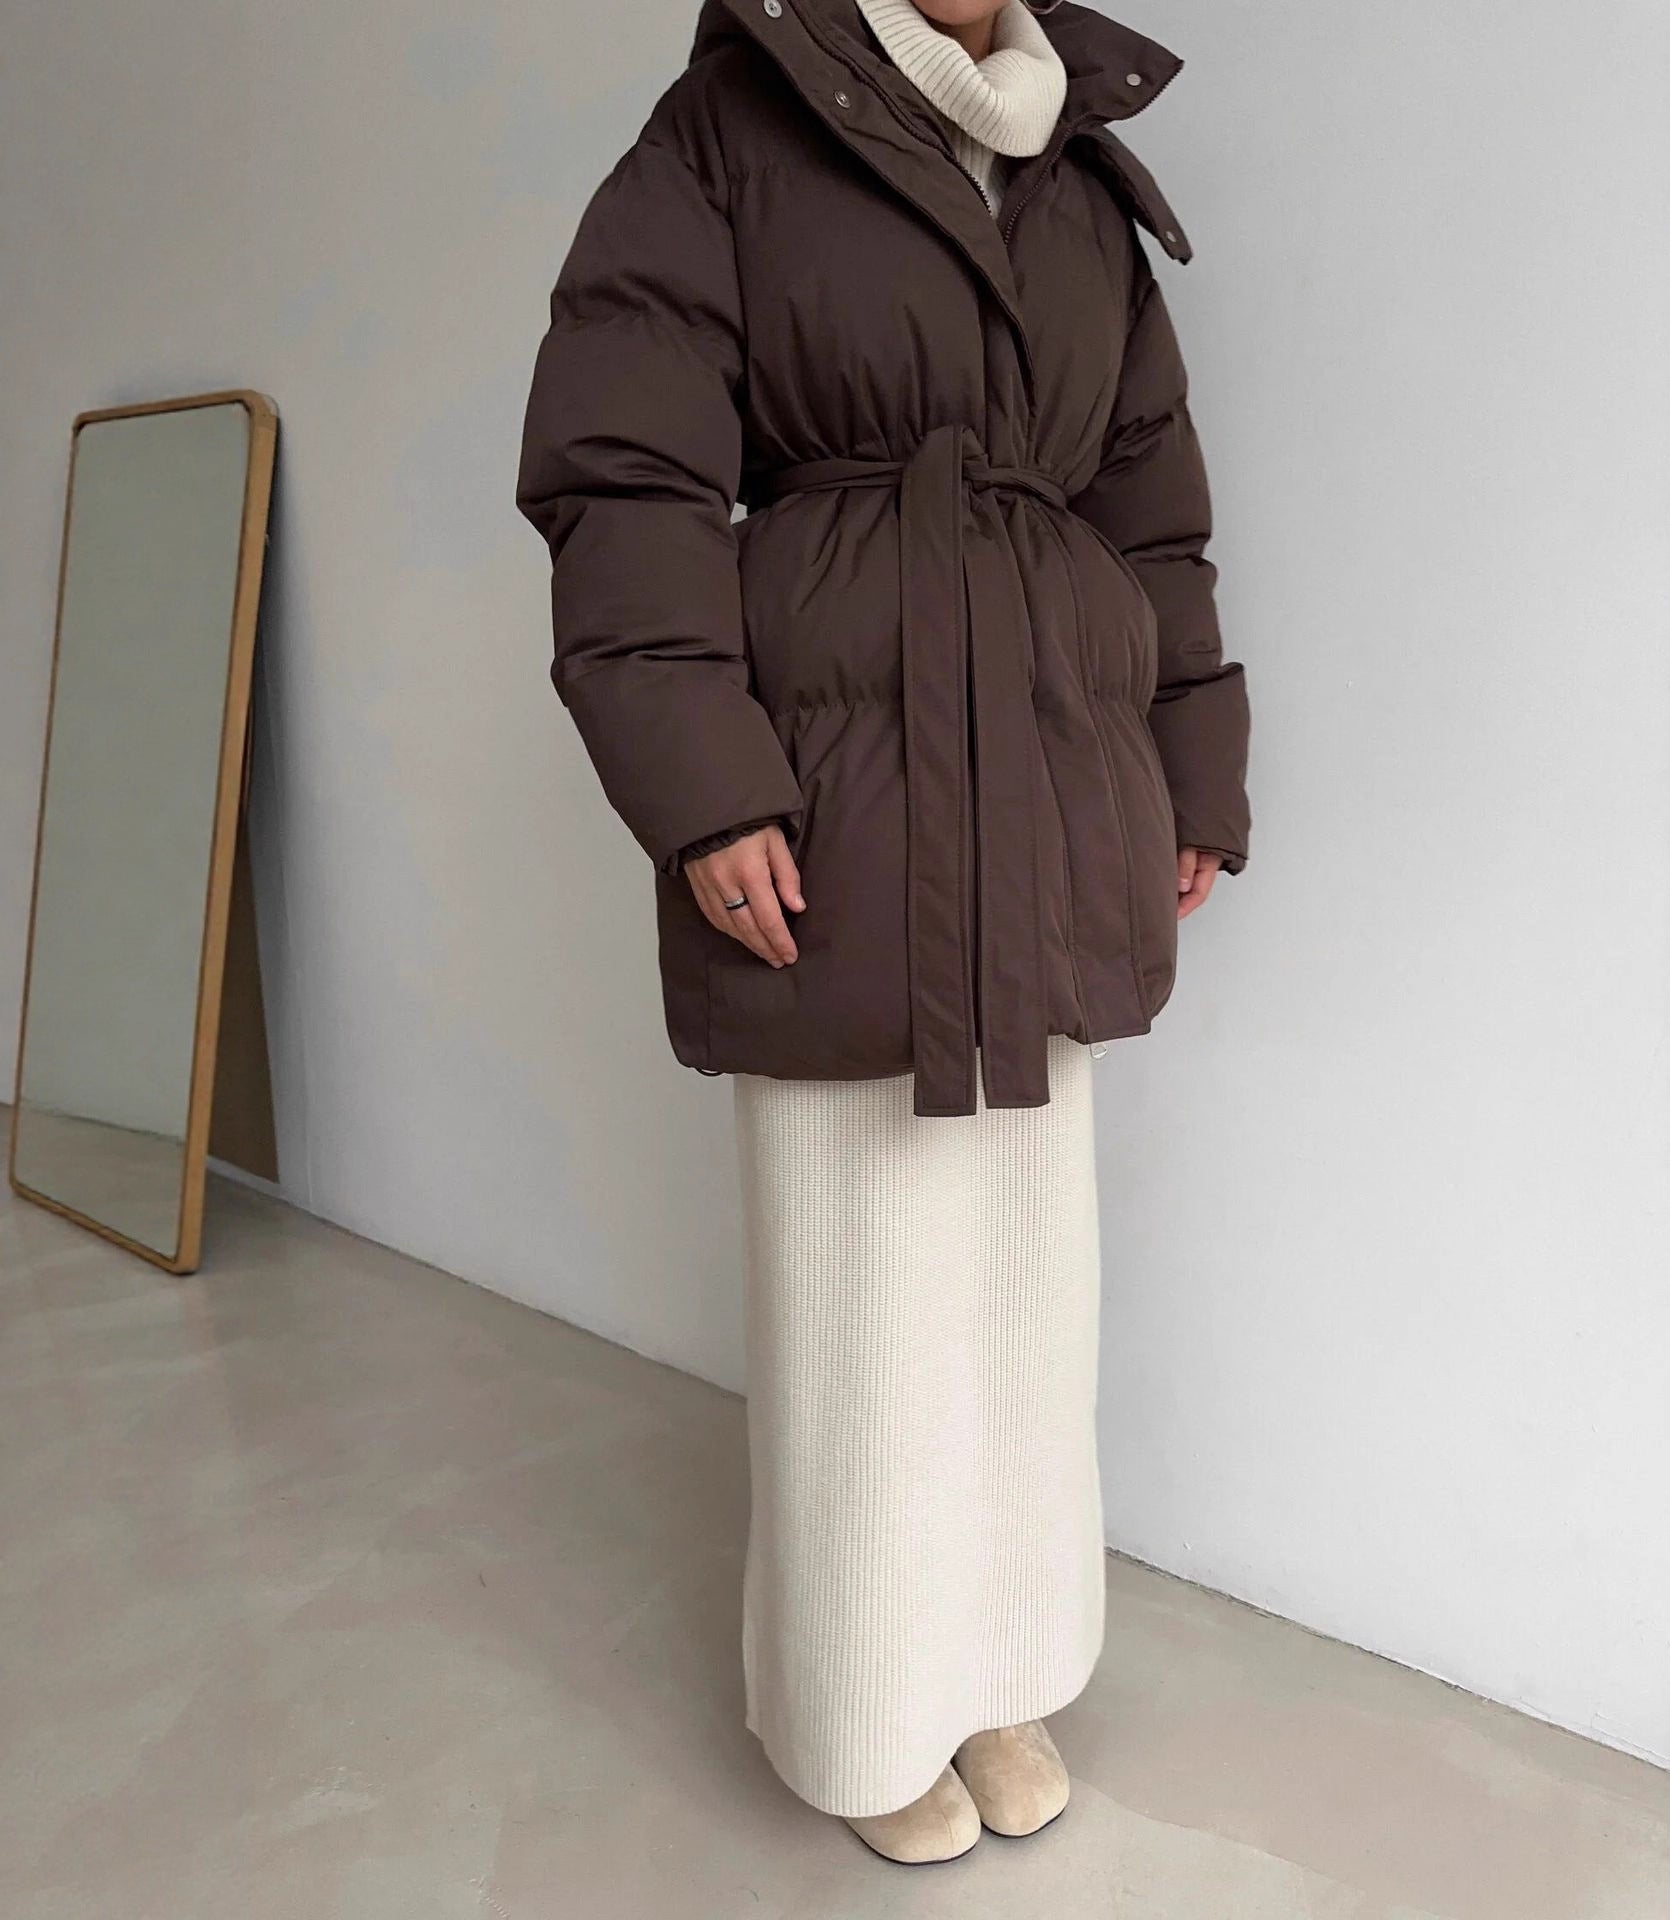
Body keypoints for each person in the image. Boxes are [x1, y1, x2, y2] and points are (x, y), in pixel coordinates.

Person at [516, 0, 1251, 1866]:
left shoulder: (1079, 172)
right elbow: (625, 474)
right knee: (863, 1275)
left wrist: (1193, 770)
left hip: (1055, 774)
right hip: (848, 779)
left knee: (1023, 1281)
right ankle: (861, 1703)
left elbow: (1153, 514)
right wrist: (705, 785)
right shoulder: (724, 132)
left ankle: (1000, 1664)